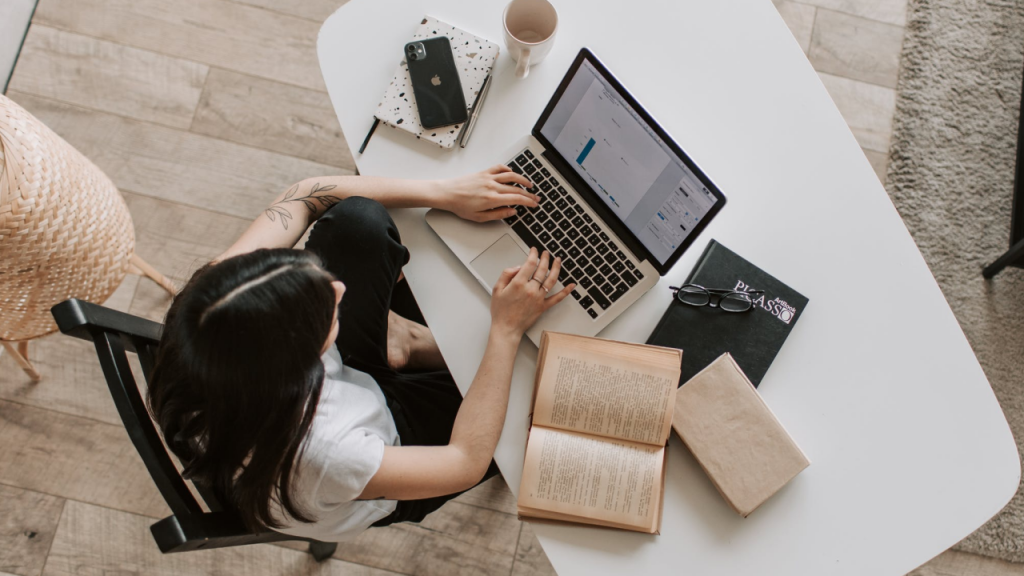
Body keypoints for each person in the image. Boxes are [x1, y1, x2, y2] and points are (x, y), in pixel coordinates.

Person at [147, 166, 576, 541]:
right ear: (301, 363)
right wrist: (504, 331)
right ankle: (406, 345)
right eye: (325, 313)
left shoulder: (213, 306)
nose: (338, 288)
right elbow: (464, 461)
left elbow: (302, 197)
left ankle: (401, 343)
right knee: (539, 398)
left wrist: (444, 192)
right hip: (388, 450)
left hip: (322, 396)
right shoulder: (330, 453)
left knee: (356, 221)